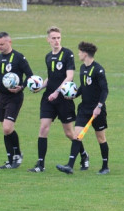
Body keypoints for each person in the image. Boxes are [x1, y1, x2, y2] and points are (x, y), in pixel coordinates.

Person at [30, 26, 88, 173]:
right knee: (43, 128)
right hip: (48, 98)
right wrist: (40, 87)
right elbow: (51, 77)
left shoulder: (67, 54)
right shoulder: (48, 57)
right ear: (48, 40)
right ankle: (40, 164)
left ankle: (83, 155)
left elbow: (69, 76)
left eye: (58, 38)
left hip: (63, 99)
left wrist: (57, 92)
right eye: (54, 38)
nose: (56, 41)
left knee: (69, 133)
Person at [0, 31, 34, 169]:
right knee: (6, 130)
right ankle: (10, 160)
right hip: (1, 97)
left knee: (7, 127)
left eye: (2, 44)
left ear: (9, 42)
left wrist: (21, 87)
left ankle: (17, 155)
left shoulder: (19, 58)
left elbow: (30, 76)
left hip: (15, 97)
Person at [56, 42, 110, 174]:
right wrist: (73, 95)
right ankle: (69, 165)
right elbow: (84, 87)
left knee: (101, 138)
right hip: (84, 109)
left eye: (80, 52)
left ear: (85, 54)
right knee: (77, 136)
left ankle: (105, 167)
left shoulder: (98, 70)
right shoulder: (82, 68)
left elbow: (105, 90)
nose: (78, 54)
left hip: (97, 111)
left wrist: (99, 107)